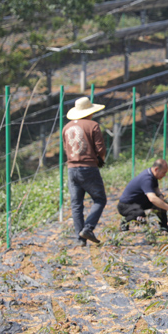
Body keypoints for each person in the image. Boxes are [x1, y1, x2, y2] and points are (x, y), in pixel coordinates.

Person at [63, 97, 108, 246]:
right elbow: (100, 149)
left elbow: (65, 149)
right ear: (89, 112)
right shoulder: (93, 125)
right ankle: (88, 228)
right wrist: (100, 160)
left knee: (76, 204)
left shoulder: (66, 127)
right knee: (100, 199)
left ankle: (80, 240)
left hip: (71, 169)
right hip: (88, 168)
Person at [117, 159, 168, 234]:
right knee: (139, 213)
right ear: (156, 169)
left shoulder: (152, 175)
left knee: (161, 204)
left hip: (139, 202)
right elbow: (152, 198)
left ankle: (164, 227)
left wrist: (160, 196)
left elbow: (156, 189)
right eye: (164, 172)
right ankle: (124, 224)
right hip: (126, 205)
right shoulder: (147, 178)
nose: (164, 175)